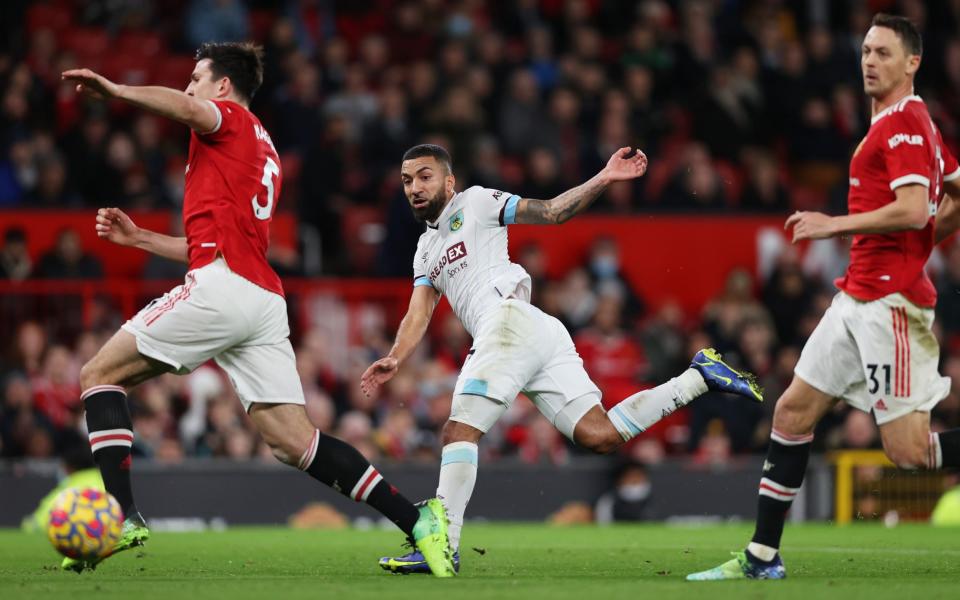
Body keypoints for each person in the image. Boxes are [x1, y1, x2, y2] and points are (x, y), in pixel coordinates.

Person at [59, 42, 455, 577]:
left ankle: (121, 517)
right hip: (261, 299)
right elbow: (216, 240)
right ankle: (418, 522)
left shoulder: (227, 118)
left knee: (98, 375)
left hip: (223, 288)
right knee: (296, 441)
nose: (188, 88)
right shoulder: (259, 149)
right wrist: (141, 239)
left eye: (197, 78)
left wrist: (118, 90)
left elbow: (186, 111)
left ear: (223, 86)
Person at [363, 143, 763, 574]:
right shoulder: (425, 249)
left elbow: (552, 211)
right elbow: (419, 310)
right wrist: (395, 356)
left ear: (448, 181)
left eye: (424, 176)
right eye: (407, 181)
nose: (415, 188)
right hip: (533, 332)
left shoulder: (475, 202)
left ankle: (442, 546)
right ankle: (699, 378)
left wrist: (605, 177)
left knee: (459, 430)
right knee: (600, 435)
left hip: (508, 320)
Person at [687, 14, 960, 581]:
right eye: (865, 50)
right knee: (792, 410)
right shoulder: (908, 124)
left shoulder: (904, 125)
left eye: (884, 52)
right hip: (856, 297)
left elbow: (914, 209)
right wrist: (924, 238)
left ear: (913, 63)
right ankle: (762, 556)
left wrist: (834, 225)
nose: (869, 60)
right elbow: (944, 199)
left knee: (909, 453)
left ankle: (763, 555)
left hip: (891, 305)